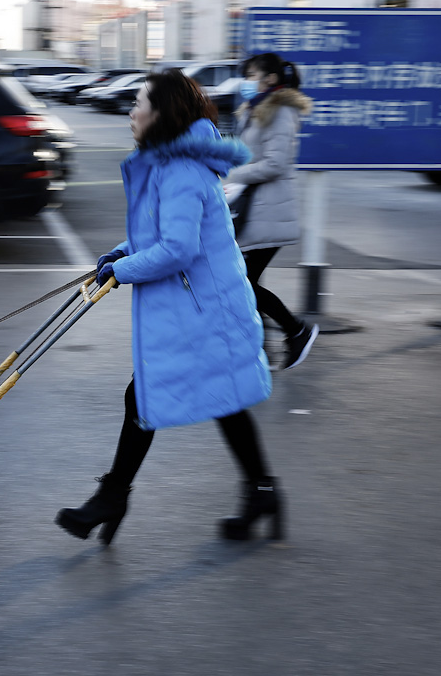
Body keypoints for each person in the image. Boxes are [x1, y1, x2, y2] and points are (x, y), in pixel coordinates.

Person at [56, 69, 282, 546]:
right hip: (199, 306)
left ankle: (113, 497)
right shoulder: (169, 162)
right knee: (220, 400)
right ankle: (261, 490)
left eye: (139, 103)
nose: (131, 112)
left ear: (162, 114)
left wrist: (123, 270)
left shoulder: (178, 169)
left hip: (205, 310)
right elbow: (158, 236)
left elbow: (177, 248)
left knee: (149, 396)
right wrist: (122, 254)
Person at [225, 52, 318, 370]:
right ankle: (259, 350)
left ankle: (296, 331)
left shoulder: (280, 111)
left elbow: (276, 164)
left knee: (242, 282)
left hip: (269, 212)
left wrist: (238, 175)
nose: (246, 81)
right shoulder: (258, 109)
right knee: (247, 282)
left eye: (252, 74)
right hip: (257, 210)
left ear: (271, 79)